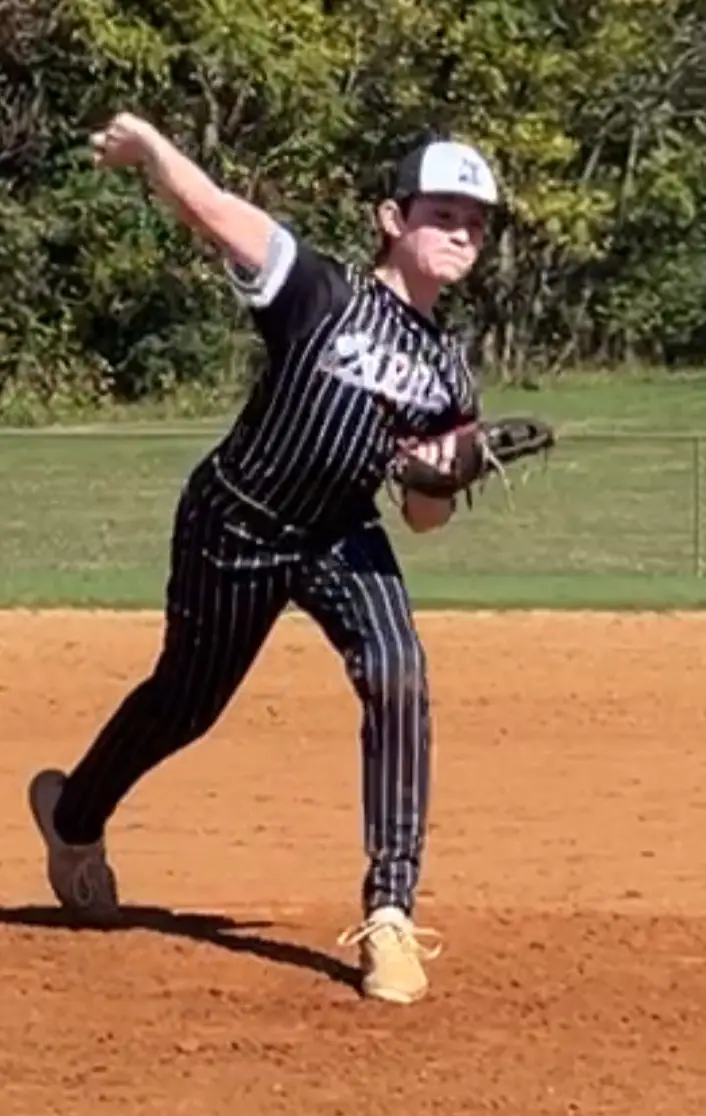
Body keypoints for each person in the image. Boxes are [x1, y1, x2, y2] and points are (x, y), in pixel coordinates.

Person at [27, 114, 499, 1005]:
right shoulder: (319, 291)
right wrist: (151, 150)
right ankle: (74, 815)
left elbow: (423, 519)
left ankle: (390, 914)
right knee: (185, 704)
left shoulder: (449, 373)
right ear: (392, 219)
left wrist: (446, 474)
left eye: (475, 222)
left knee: (398, 672)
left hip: (338, 534)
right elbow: (212, 210)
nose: (462, 233)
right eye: (443, 214)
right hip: (235, 522)